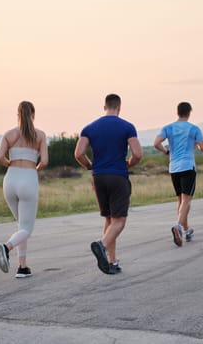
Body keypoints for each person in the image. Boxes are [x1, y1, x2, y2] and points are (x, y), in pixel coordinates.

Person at [74, 94, 143, 275]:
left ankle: (111, 261)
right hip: (118, 175)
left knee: (109, 219)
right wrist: (129, 163)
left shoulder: (90, 127)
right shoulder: (127, 127)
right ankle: (102, 245)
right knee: (119, 220)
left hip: (98, 176)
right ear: (119, 107)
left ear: (104, 106)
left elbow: (78, 153)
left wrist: (90, 165)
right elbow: (137, 153)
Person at [0, 101, 48, 278]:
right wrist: (35, 167)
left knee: (21, 226)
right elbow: (45, 161)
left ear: (17, 114)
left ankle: (22, 267)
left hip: (10, 179)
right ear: (33, 114)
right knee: (27, 228)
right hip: (28, 178)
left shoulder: (9, 134)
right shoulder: (39, 135)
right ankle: (6, 247)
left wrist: (10, 164)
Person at [154, 102, 203, 247]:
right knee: (187, 200)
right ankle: (178, 226)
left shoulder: (168, 128)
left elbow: (156, 142)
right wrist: (196, 144)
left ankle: (186, 229)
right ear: (189, 112)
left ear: (177, 112)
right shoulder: (194, 128)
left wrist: (166, 152)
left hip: (174, 167)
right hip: (187, 166)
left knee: (180, 200)